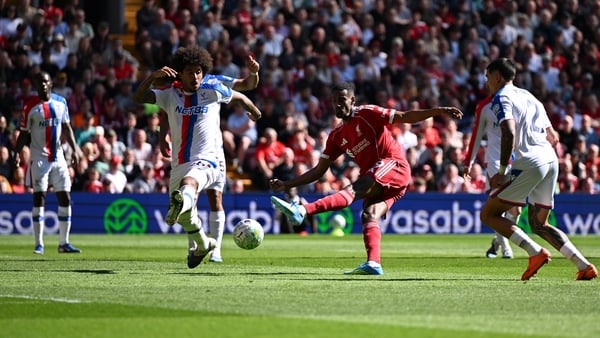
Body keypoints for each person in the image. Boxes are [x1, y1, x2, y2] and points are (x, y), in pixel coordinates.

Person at [270, 81, 463, 275]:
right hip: (378, 176)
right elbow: (319, 171)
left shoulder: (367, 113)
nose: (338, 105)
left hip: (393, 164)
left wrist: (438, 111)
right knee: (369, 214)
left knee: (354, 189)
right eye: (334, 101)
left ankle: (303, 210)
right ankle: (374, 263)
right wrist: (288, 184)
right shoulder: (336, 136)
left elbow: (404, 116)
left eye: (342, 100)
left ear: (352, 100)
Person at [133, 45, 262, 269]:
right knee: (184, 212)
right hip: (180, 161)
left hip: (210, 157)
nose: (195, 76)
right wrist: (152, 78)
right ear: (180, 72)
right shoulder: (170, 94)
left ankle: (217, 250)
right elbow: (140, 97)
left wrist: (254, 81)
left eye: (198, 71)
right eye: (190, 71)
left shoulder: (212, 86)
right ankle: (202, 244)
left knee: (200, 191)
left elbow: (243, 90)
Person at [479, 58, 597, 281]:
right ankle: (584, 265)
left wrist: (503, 170)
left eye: (487, 77)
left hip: (530, 161)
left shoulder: (501, 98)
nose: (487, 82)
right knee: (539, 223)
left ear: (497, 76)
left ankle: (535, 252)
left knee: (489, 214)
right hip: (550, 160)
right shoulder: (530, 97)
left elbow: (509, 131)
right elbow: (553, 136)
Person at [14, 71, 83, 254]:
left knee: (65, 197)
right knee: (39, 198)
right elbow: (23, 133)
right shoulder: (30, 107)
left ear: (51, 83)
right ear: (36, 86)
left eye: (45, 81)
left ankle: (64, 243)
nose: (42, 85)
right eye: (39, 83)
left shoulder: (61, 103)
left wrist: (75, 149)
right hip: (39, 158)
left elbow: (67, 127)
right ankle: (39, 243)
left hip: (59, 157)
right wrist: (17, 152)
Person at [464, 94, 519, 259]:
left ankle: (498, 241)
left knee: (516, 210)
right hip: (494, 160)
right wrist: (469, 162)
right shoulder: (484, 106)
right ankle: (506, 247)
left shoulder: (518, 101)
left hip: (516, 160)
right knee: (499, 204)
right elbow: (476, 134)